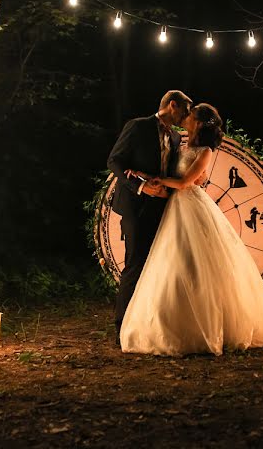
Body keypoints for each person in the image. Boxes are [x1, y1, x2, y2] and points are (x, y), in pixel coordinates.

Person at [120, 103, 263, 356]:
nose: (185, 118)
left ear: (198, 122)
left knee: (197, 261)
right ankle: (171, 320)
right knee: (173, 260)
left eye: (190, 116)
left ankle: (202, 324)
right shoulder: (180, 143)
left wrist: (157, 181)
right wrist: (141, 175)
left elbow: (186, 182)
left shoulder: (205, 151)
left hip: (190, 204)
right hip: (173, 207)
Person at [106, 90, 192, 344]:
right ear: (172, 105)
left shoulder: (176, 137)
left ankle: (147, 322)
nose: (186, 116)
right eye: (185, 110)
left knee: (158, 263)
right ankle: (122, 326)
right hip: (135, 205)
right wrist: (140, 186)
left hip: (162, 208)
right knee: (135, 262)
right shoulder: (138, 126)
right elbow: (114, 161)